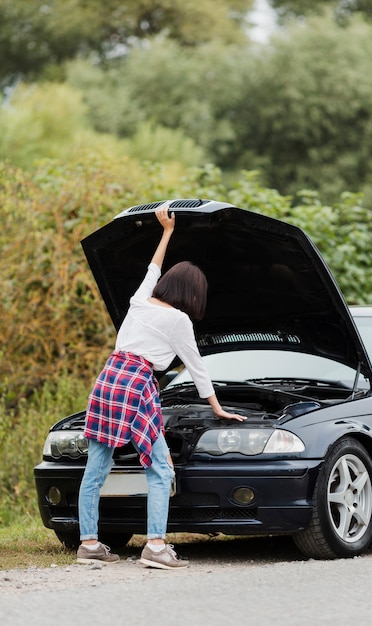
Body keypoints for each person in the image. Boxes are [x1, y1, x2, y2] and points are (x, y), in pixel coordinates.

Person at [76, 203, 246, 569]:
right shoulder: (178, 320)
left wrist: (166, 231)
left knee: (96, 469)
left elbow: (153, 268)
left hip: (108, 378)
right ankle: (155, 547)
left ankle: (89, 543)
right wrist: (216, 407)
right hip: (136, 384)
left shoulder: (140, 301)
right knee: (160, 469)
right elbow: (196, 365)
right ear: (194, 294)